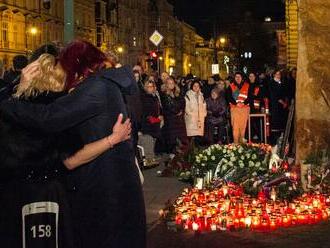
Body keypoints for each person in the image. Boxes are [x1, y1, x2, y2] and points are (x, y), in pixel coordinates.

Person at [0, 40, 146, 248]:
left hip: (104, 193)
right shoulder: (107, 84)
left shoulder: (96, 87)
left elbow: (49, 118)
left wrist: (13, 99)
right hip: (111, 190)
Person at [161, 76, 188, 155]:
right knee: (172, 138)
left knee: (181, 138)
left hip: (179, 119)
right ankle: (172, 155)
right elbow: (167, 106)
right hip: (170, 119)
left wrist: (180, 111)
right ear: (166, 84)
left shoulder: (177, 93)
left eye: (172, 83)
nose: (171, 85)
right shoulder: (164, 95)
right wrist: (176, 111)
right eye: (169, 83)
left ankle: (181, 154)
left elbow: (183, 103)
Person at [139, 79, 163, 166]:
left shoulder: (154, 97)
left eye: (151, 86)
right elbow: (144, 112)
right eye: (148, 87)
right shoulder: (144, 97)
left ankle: (151, 157)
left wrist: (159, 116)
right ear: (145, 87)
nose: (150, 88)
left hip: (155, 122)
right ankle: (149, 159)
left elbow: (158, 108)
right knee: (148, 140)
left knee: (153, 140)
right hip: (148, 123)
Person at [226, 72, 251, 143]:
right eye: (236, 77)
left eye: (239, 77)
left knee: (243, 127)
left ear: (242, 78)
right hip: (235, 109)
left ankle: (243, 143)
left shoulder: (247, 86)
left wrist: (243, 103)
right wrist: (236, 104)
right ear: (234, 78)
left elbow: (250, 97)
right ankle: (236, 144)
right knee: (235, 127)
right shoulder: (231, 86)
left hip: (244, 108)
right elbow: (229, 97)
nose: (238, 78)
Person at [268, 69, 289, 144]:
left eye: (279, 74)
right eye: (277, 74)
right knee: (275, 123)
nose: (278, 75)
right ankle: (274, 141)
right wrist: (282, 102)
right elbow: (274, 95)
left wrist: (285, 102)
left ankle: (281, 140)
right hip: (275, 106)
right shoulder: (271, 83)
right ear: (274, 75)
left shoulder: (282, 83)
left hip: (282, 107)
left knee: (282, 123)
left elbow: (285, 93)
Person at [185, 80, 207, 145]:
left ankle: (197, 150)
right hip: (191, 118)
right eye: (194, 86)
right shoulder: (188, 95)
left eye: (197, 86)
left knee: (198, 136)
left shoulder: (201, 95)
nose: (196, 87)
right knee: (191, 135)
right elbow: (186, 107)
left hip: (200, 118)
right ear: (192, 86)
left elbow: (204, 105)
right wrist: (191, 114)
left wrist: (204, 114)